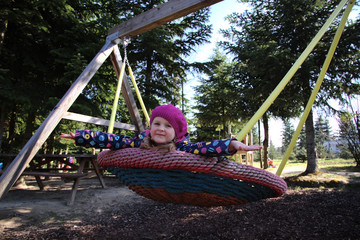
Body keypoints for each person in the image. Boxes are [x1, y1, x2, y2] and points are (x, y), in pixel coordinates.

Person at [60, 104, 262, 157]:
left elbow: (205, 148)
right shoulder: (140, 141)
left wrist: (232, 144)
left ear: (177, 133)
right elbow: (112, 140)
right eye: (157, 124)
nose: (160, 129)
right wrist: (81, 136)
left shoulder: (183, 148)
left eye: (168, 126)